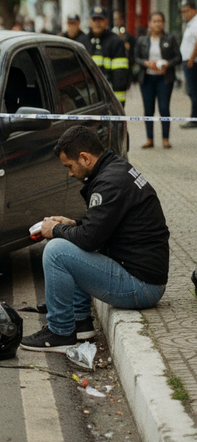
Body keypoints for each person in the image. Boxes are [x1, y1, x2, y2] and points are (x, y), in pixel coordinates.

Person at [20, 126, 169, 352]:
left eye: (69, 166)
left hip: (142, 287)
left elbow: (90, 239)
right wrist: (72, 224)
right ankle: (80, 323)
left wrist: (56, 230)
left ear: (84, 158)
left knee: (56, 250)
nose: (69, 173)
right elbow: (101, 226)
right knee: (69, 240)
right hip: (142, 276)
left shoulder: (109, 182)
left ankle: (60, 332)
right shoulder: (115, 170)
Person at [134, 12, 181, 148]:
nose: (157, 24)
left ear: (164, 23)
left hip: (164, 80)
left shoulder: (170, 39)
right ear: (149, 23)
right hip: (147, 79)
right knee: (148, 110)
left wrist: (167, 64)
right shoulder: (142, 40)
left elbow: (178, 57)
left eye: (160, 21)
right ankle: (150, 139)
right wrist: (146, 63)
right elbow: (135, 58)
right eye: (154, 21)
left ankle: (165, 138)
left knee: (164, 108)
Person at [86, 6, 129, 107]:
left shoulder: (116, 41)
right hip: (88, 93)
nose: (97, 23)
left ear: (106, 21)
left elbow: (120, 73)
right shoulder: (83, 41)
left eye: (100, 19)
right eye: (94, 19)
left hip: (110, 93)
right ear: (89, 21)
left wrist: (117, 103)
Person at [180, 0, 197, 128]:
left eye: (186, 11)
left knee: (193, 91)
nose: (183, 14)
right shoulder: (190, 24)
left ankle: (194, 118)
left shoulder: (196, 23)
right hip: (189, 61)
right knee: (191, 91)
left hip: (192, 62)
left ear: (193, 9)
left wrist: (191, 58)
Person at [113, 10, 137, 86]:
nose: (117, 21)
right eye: (115, 19)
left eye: (118, 19)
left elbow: (132, 49)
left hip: (126, 65)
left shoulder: (128, 35)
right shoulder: (111, 34)